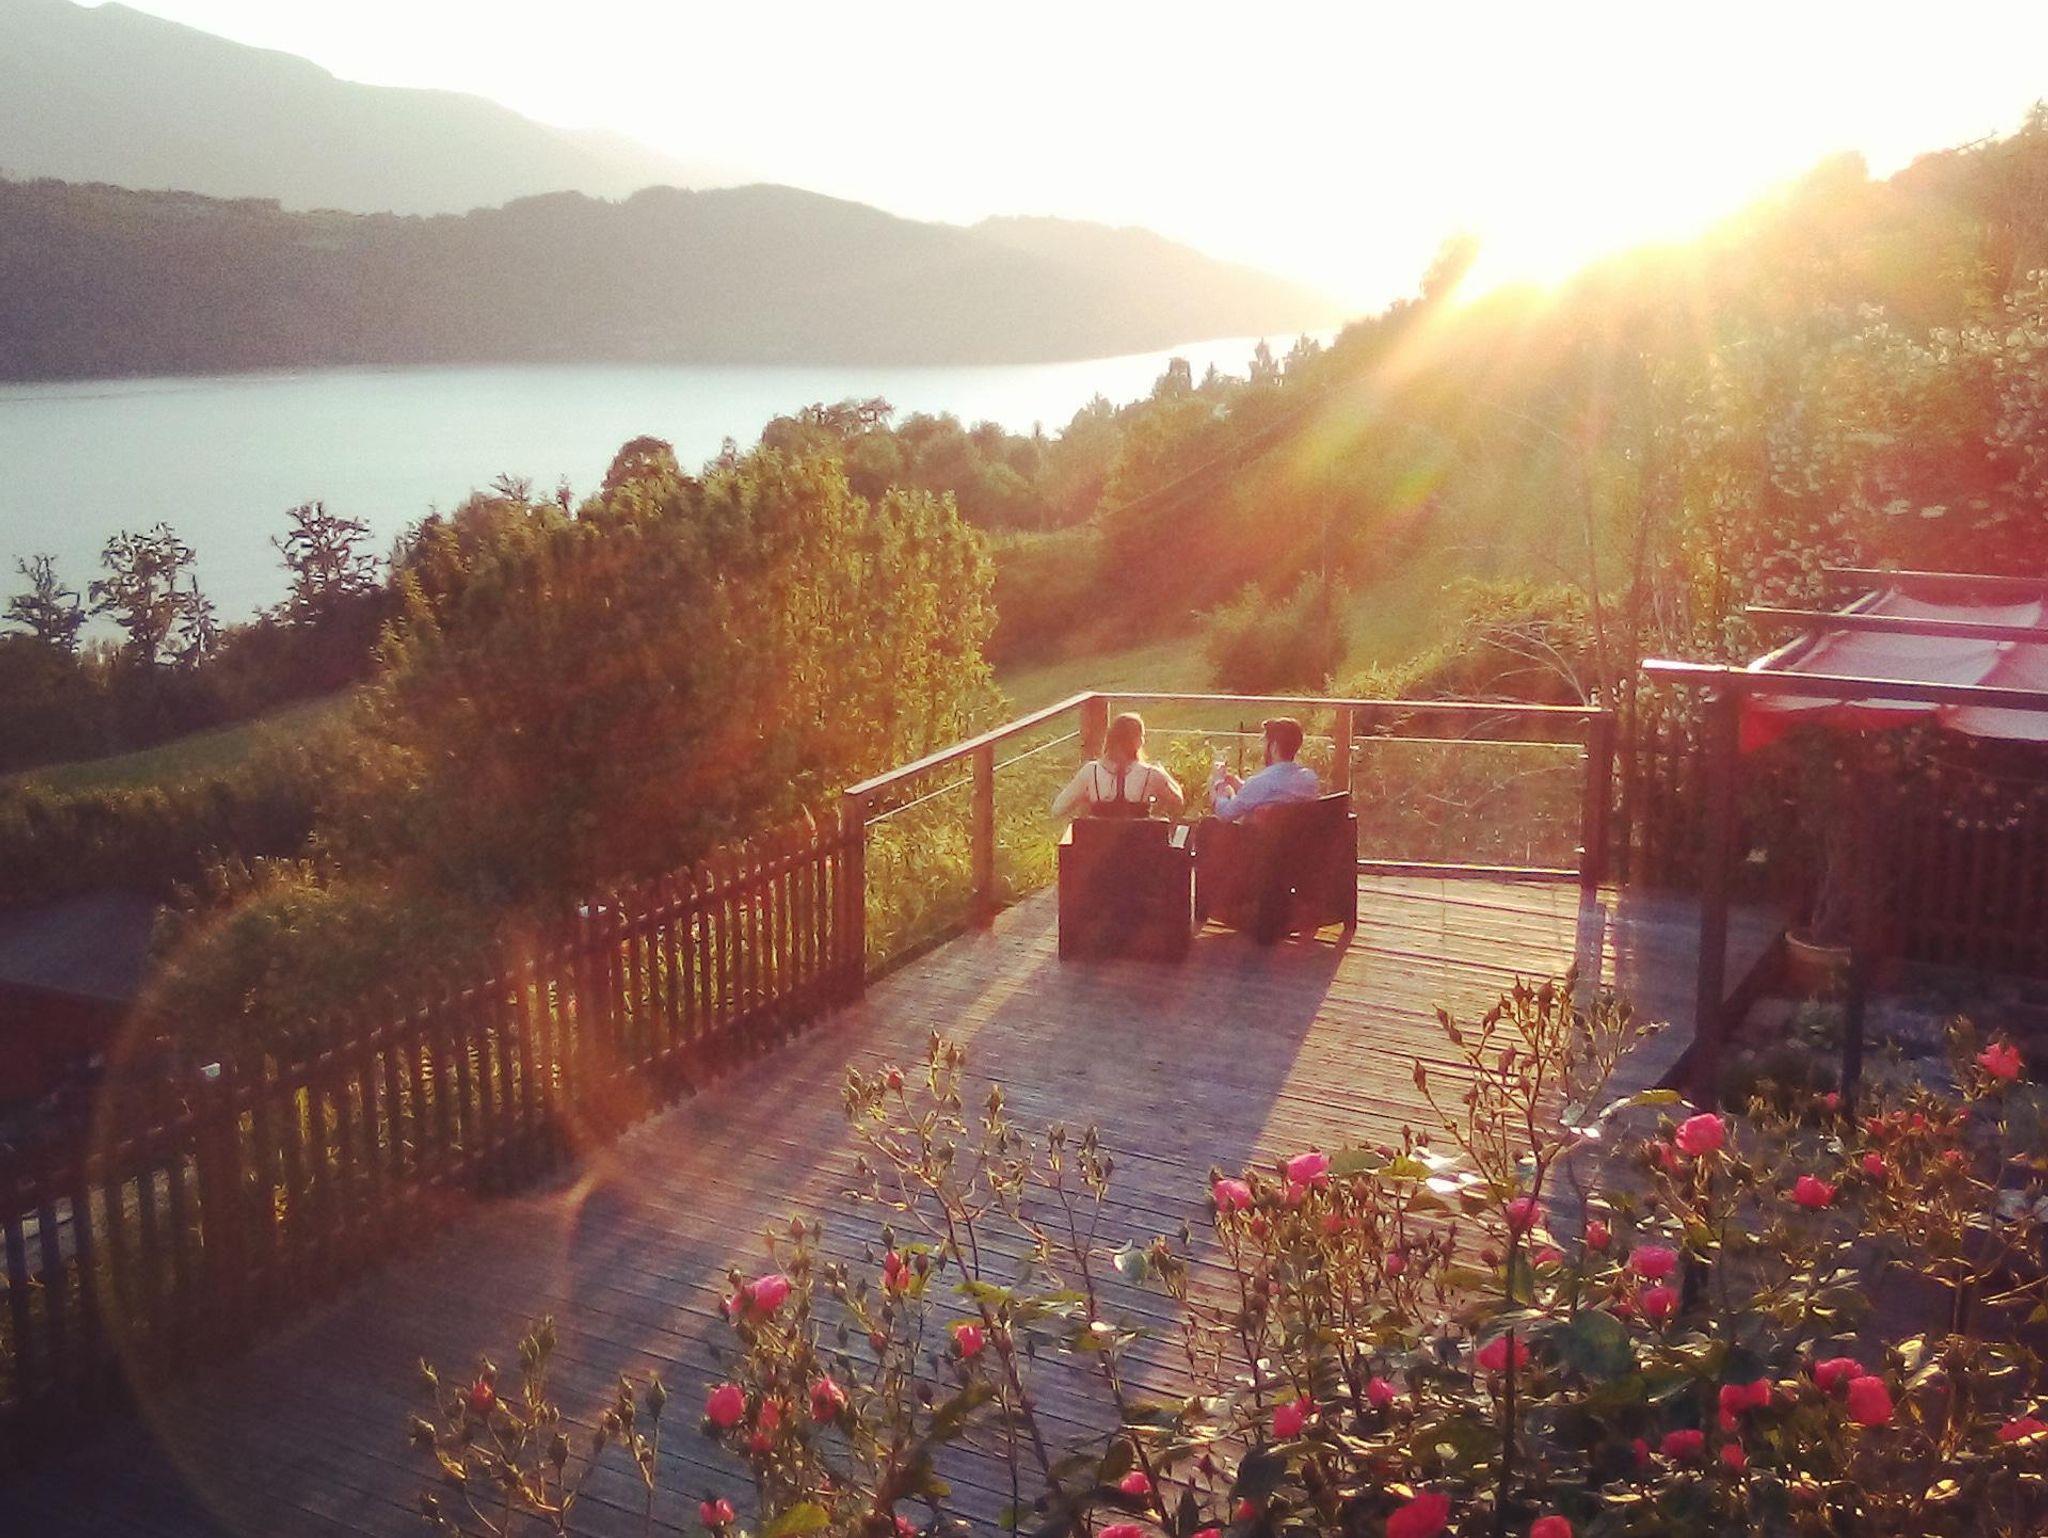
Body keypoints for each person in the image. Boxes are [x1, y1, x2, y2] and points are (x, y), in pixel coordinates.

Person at [1052, 712, 1186, 821]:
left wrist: (1086, 799)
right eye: (1142, 736)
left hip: (1100, 844)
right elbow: (1178, 802)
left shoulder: (1090, 771)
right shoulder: (1151, 774)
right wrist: (1164, 773)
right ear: (1137, 741)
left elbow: (1057, 809)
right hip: (1139, 843)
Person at [1209, 717, 1320, 821]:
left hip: (1260, 835)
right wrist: (1241, 785)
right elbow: (1273, 792)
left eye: (1265, 742)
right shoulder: (1309, 780)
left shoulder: (1261, 782)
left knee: (1209, 825)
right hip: (1297, 835)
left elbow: (1225, 813)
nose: (1262, 748)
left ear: (1274, 747)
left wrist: (1218, 785)